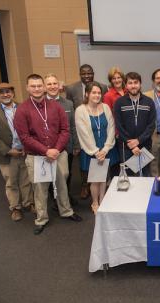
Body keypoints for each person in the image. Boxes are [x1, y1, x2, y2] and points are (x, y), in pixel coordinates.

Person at [14, 74, 82, 235]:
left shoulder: (55, 106)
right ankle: (42, 218)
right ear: (27, 88)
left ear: (44, 87)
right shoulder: (22, 110)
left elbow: (65, 130)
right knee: (40, 189)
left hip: (58, 152)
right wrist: (46, 151)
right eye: (33, 86)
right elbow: (24, 137)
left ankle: (66, 211)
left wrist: (56, 149)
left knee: (62, 184)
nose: (37, 89)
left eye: (39, 86)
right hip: (37, 156)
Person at [0, 82, 34, 221]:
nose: (5, 94)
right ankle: (15, 208)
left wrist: (28, 146)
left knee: (26, 180)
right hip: (6, 154)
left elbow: (30, 128)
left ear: (13, 93)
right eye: (1, 92)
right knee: (11, 182)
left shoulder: (23, 107)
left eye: (8, 91)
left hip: (24, 151)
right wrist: (7, 150)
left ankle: (28, 203)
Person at [65, 64, 108, 199]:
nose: (87, 76)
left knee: (101, 165)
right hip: (81, 131)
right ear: (80, 74)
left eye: (89, 73)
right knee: (84, 164)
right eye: (83, 73)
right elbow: (71, 110)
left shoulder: (103, 86)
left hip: (99, 128)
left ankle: (99, 191)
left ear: (93, 73)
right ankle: (85, 185)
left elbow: (103, 108)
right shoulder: (72, 88)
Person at [75, 82, 116, 214]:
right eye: (94, 92)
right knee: (94, 179)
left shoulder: (105, 107)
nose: (97, 95)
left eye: (99, 93)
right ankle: (95, 202)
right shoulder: (80, 110)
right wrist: (96, 151)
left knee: (103, 177)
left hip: (106, 148)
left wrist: (105, 149)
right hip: (91, 150)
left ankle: (103, 200)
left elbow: (111, 128)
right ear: (87, 94)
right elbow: (83, 134)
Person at [44, 73, 80, 207]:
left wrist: (76, 144)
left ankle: (66, 195)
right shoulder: (41, 104)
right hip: (48, 148)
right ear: (44, 87)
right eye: (49, 84)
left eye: (55, 83)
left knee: (67, 173)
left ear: (59, 86)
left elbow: (72, 125)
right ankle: (54, 198)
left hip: (66, 146)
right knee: (51, 175)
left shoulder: (68, 104)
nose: (52, 86)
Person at [114, 72, 156, 176]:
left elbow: (151, 125)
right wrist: (132, 145)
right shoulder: (119, 103)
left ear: (140, 84)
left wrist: (138, 141)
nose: (133, 86)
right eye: (130, 83)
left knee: (146, 175)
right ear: (126, 85)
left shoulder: (149, 102)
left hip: (145, 146)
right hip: (126, 147)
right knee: (129, 177)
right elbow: (119, 126)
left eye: (136, 82)